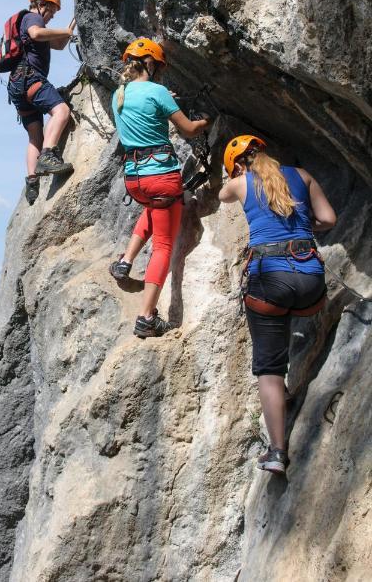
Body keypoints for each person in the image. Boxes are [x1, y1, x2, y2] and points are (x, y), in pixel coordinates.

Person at [218, 135, 336, 475]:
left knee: (269, 366)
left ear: (238, 165)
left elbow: (224, 196)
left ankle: (277, 452)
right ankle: (281, 395)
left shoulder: (239, 183)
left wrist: (236, 178)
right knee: (285, 313)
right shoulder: (302, 175)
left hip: (270, 282)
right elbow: (329, 219)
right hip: (311, 285)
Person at [109, 38, 210, 338]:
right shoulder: (157, 92)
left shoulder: (120, 94)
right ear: (151, 64)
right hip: (161, 175)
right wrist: (206, 121)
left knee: (154, 211)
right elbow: (188, 129)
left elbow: (145, 108)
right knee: (164, 247)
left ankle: (125, 263)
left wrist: (163, 98)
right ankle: (146, 317)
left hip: (134, 177)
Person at [7, 0, 76, 205]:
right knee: (62, 111)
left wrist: (70, 27)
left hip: (18, 86)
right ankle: (48, 156)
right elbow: (37, 33)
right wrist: (60, 30)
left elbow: (58, 43)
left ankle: (32, 181)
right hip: (31, 79)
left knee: (34, 136)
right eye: (52, 11)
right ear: (41, 4)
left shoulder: (29, 22)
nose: (52, 16)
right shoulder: (32, 18)